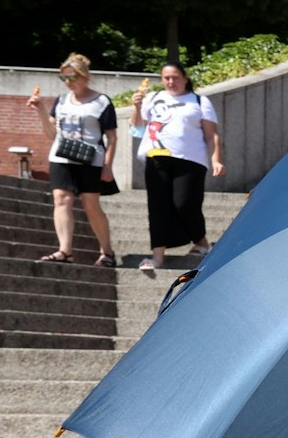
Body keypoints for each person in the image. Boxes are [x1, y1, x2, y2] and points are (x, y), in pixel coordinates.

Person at [25, 53, 119, 267]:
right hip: (61, 156)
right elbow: (51, 134)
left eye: (72, 77)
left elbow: (112, 137)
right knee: (61, 200)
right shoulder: (61, 101)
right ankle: (65, 250)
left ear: (84, 77)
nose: (68, 82)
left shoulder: (101, 101)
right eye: (64, 78)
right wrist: (40, 110)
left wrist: (108, 166)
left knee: (91, 206)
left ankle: (107, 252)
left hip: (90, 159)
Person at [132, 62, 224, 276]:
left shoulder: (199, 101)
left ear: (185, 77)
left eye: (175, 77)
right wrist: (137, 107)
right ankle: (157, 257)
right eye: (166, 78)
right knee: (158, 206)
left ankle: (201, 241)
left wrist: (216, 160)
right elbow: (137, 129)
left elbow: (212, 135)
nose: (171, 82)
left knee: (185, 203)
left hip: (190, 159)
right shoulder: (152, 99)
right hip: (157, 158)